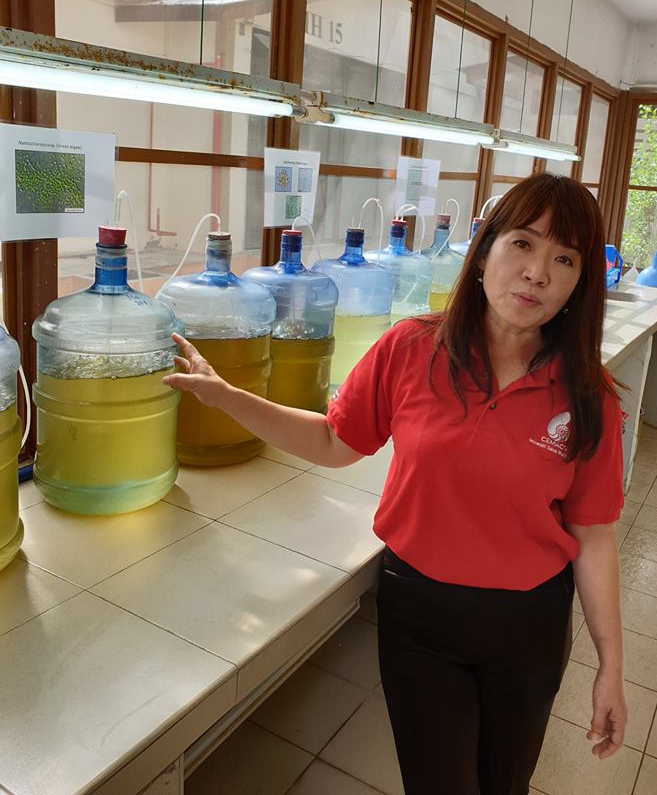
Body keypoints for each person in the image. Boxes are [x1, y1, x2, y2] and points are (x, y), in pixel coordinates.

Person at [163, 173, 628, 795]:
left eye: (563, 257)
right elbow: (333, 441)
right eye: (523, 243)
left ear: (578, 282)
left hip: (529, 623)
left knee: (505, 785)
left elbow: (594, 538)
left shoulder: (589, 395)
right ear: (484, 249)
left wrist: (612, 667)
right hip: (421, 612)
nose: (537, 272)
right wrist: (228, 399)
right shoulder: (411, 348)